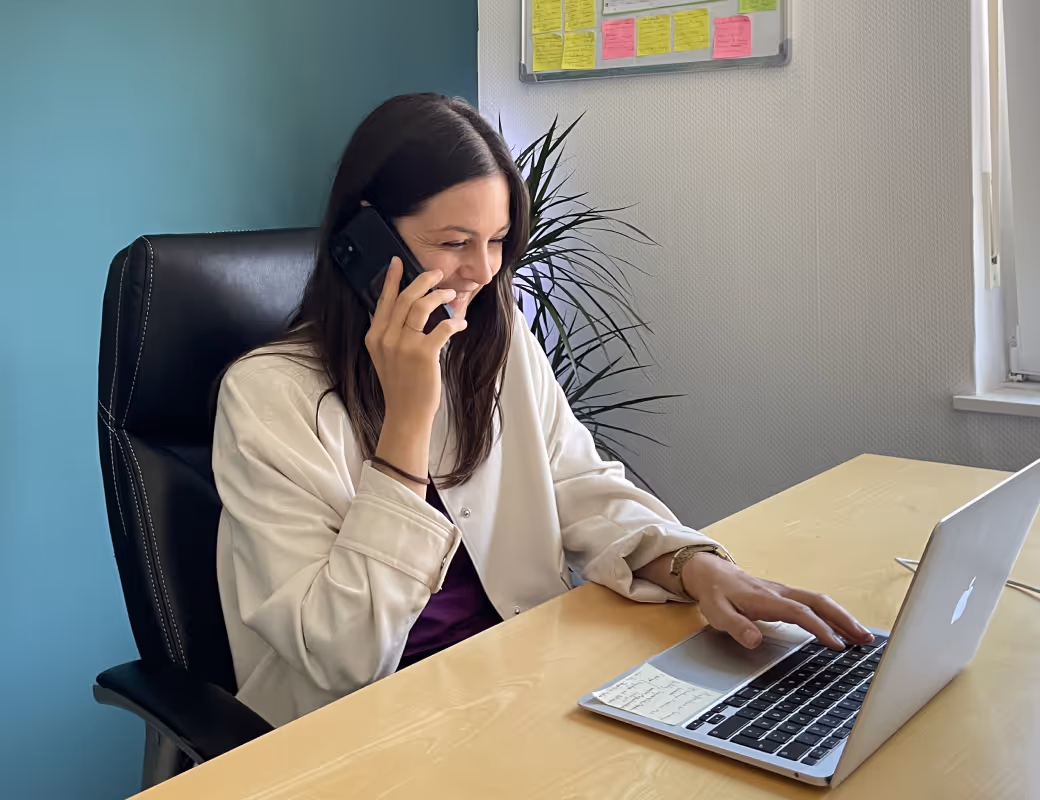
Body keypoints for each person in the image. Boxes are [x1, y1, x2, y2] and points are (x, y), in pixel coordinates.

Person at [212, 93, 872, 728]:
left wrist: (695, 566)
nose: (483, 271)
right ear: (366, 235)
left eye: (497, 240)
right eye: (455, 242)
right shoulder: (267, 397)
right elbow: (345, 655)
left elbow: (576, 483)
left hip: (516, 684)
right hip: (364, 731)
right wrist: (407, 423)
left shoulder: (496, 344)